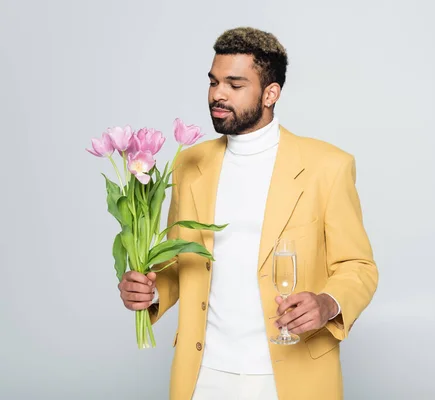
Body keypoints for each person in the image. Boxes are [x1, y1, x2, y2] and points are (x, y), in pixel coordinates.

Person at [117, 27, 378, 400]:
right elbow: (179, 261)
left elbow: (359, 266)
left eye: (235, 85)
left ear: (270, 93)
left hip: (292, 373)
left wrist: (327, 303)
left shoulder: (328, 167)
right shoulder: (189, 163)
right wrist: (150, 290)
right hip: (203, 372)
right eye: (213, 82)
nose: (218, 94)